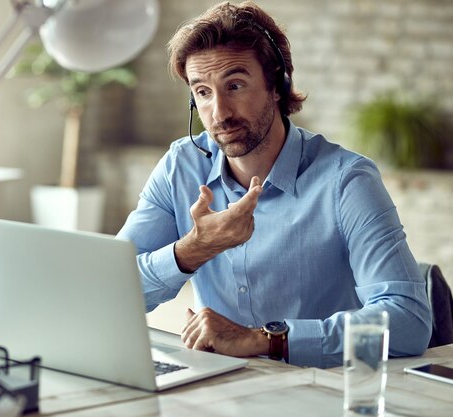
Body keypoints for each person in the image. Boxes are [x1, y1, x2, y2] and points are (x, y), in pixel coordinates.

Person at [116, 1, 432, 368]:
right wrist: (192, 250)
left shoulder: (347, 180)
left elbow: (409, 320)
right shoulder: (180, 166)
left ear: (277, 85)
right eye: (203, 92)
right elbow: (110, 289)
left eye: (235, 85)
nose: (218, 113)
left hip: (316, 388)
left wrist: (264, 340)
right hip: (218, 388)